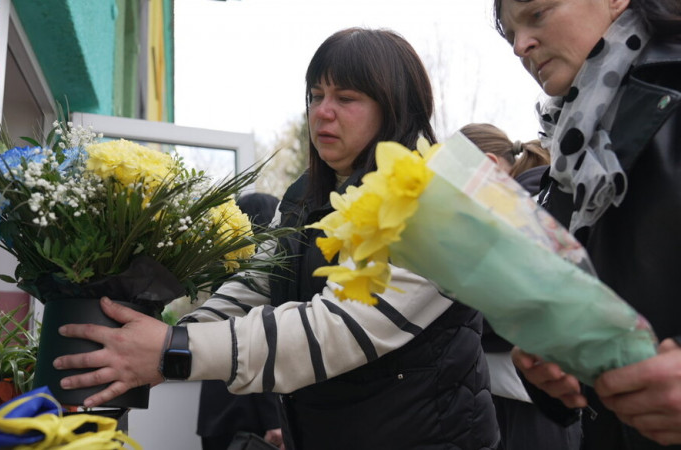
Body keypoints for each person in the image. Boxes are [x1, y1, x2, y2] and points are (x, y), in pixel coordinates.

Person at [54, 28, 499, 449]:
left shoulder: (430, 201)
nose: (322, 112)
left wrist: (173, 351)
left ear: (396, 108)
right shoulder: (305, 195)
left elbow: (334, 331)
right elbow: (254, 284)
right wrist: (159, 344)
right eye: (315, 96)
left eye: (346, 98)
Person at [492, 0, 681, 448]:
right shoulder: (570, 151)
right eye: (510, 33)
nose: (520, 46)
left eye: (537, 13)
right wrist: (553, 373)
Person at [460, 123, 582, 450]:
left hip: (537, 401)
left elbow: (517, 309)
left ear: (487, 165)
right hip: (515, 394)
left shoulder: (530, 207)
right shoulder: (522, 204)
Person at [197, 192, 283, 450]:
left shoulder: (225, 280)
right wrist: (273, 418)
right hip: (251, 417)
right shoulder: (259, 283)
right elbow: (259, 346)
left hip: (215, 415)